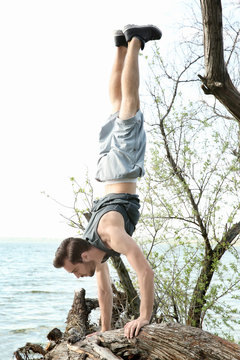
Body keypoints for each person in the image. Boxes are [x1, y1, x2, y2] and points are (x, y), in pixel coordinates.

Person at [53, 24, 162, 339]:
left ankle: (135, 40)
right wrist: (101, 332)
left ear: (83, 256)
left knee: (129, 105)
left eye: (75, 271)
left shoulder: (109, 235)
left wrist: (143, 317)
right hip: (107, 171)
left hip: (121, 169)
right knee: (117, 107)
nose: (78, 277)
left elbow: (144, 270)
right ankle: (119, 46)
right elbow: (103, 291)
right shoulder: (96, 249)